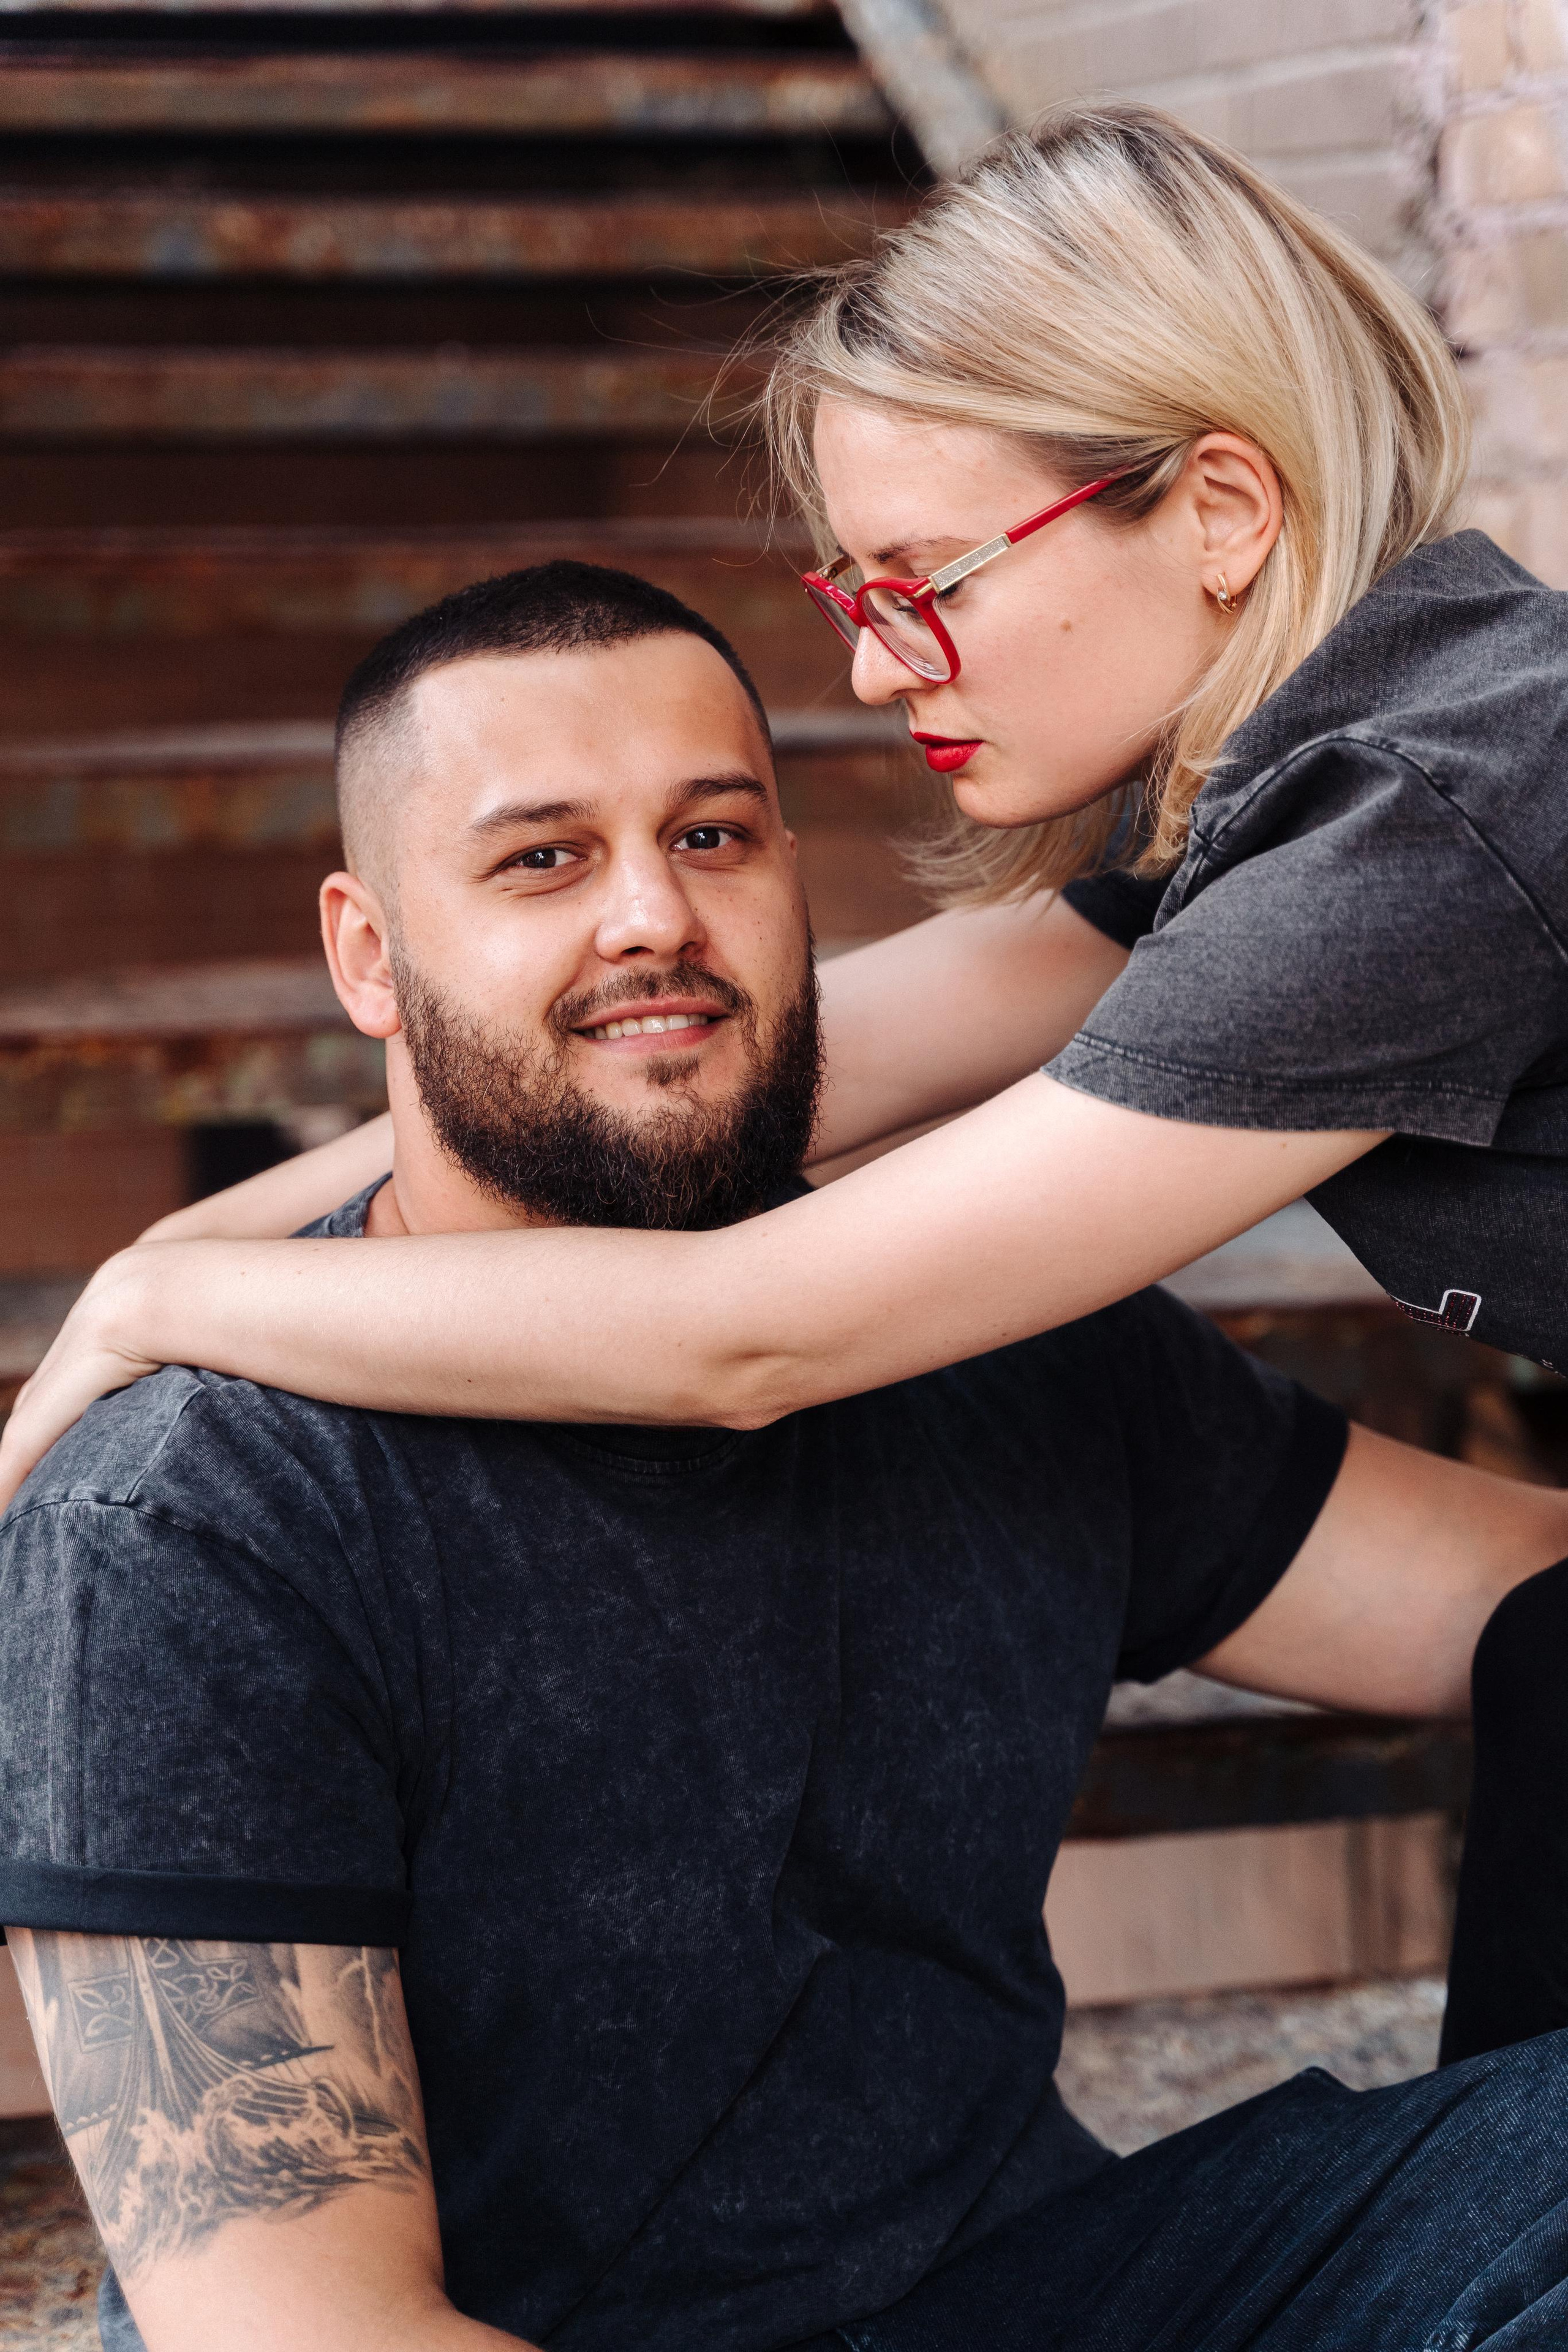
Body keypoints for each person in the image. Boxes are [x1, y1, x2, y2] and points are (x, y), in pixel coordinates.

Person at [4, 104, 1567, 2048]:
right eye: (851, 598)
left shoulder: (1430, 821)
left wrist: (158, 1302)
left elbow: (750, 1331)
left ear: (1225, 512)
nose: (875, 670)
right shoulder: (1321, 808)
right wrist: (144, 1286)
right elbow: (739, 1089)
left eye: (927, 582)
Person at [6, 560, 1568, 2352]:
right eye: (543, 860)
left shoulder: (963, 1333)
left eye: (718, 836)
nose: (652, 918)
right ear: (369, 953)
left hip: (1033, 2294)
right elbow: (297, 2329)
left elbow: (1506, 1594)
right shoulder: (195, 1515)